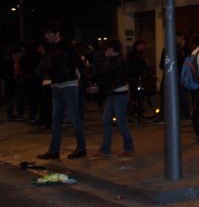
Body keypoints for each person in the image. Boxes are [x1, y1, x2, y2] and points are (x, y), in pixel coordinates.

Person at [37, 22, 87, 160]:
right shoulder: (49, 48)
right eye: (46, 34)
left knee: (74, 118)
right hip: (56, 86)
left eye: (49, 33)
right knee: (56, 119)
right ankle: (54, 151)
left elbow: (79, 65)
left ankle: (81, 148)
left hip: (69, 85)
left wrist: (86, 83)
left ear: (57, 34)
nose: (46, 36)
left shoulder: (68, 48)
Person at [88, 39, 134, 158]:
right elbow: (106, 77)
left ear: (112, 49)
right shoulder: (111, 61)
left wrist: (98, 87)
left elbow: (110, 78)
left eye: (107, 49)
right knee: (106, 120)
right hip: (113, 93)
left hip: (120, 94)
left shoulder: (118, 61)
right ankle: (105, 149)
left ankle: (128, 147)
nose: (105, 51)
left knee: (120, 122)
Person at [155, 31, 192, 123]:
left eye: (177, 38)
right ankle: (180, 115)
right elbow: (162, 65)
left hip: (177, 77)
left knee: (181, 96)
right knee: (175, 96)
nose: (175, 40)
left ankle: (184, 114)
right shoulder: (173, 50)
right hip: (173, 77)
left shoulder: (180, 50)